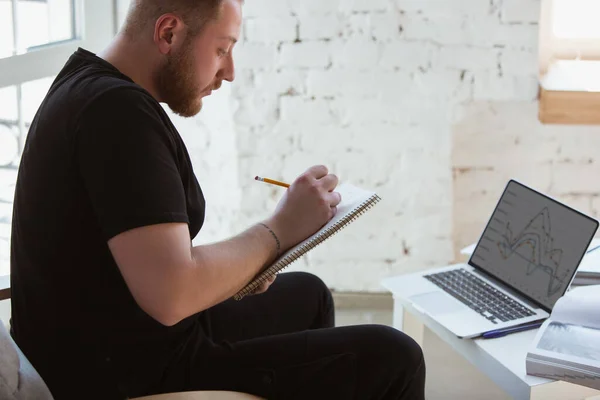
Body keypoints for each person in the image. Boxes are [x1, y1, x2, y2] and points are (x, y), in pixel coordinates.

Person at [9, 0, 426, 399]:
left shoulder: (86, 83)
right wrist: (279, 230)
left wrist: (252, 259)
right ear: (169, 32)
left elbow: (149, 260)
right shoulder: (117, 114)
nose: (229, 71)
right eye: (222, 49)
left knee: (310, 295)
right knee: (395, 357)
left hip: (121, 335)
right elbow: (171, 294)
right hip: (118, 375)